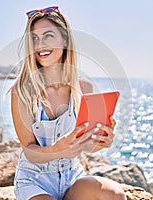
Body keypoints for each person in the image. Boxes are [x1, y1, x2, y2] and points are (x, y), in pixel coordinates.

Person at [10, 6, 126, 200]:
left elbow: (86, 146)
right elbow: (30, 152)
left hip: (72, 176)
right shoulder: (22, 91)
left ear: (64, 40)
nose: (40, 45)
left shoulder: (84, 87)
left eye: (48, 36)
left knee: (115, 194)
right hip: (35, 181)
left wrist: (102, 142)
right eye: (34, 39)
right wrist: (59, 148)